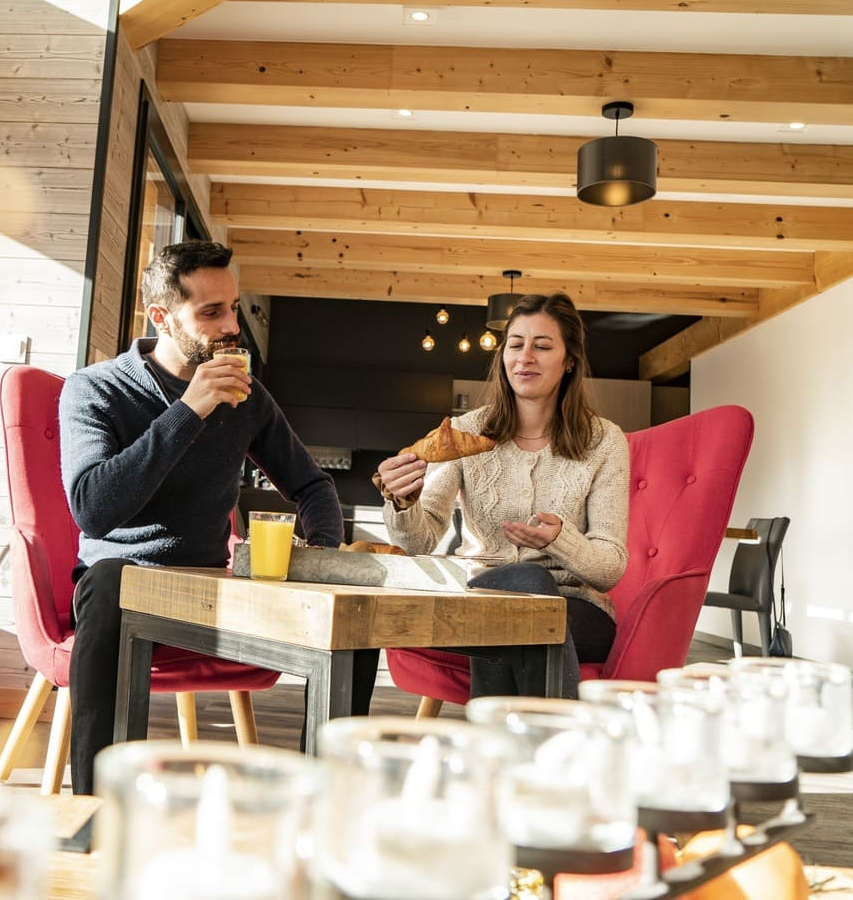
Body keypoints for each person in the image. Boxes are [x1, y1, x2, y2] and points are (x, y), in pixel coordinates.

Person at [60, 240, 376, 794]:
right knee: (110, 579)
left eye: (233, 307)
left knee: (358, 611)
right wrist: (189, 410)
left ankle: (328, 806)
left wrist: (320, 554)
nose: (232, 325)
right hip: (123, 587)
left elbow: (312, 485)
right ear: (161, 317)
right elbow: (93, 511)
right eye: (211, 312)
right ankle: (93, 810)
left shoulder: (248, 398)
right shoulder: (96, 389)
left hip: (212, 590)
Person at [375, 293, 628, 699]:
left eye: (542, 346)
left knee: (529, 586)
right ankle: (545, 745)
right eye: (515, 344)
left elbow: (609, 569)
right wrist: (403, 502)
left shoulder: (604, 442)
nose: (525, 356)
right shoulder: (465, 432)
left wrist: (559, 540)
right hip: (480, 596)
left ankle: (491, 745)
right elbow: (418, 541)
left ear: (569, 361)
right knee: (511, 608)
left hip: (575, 608)